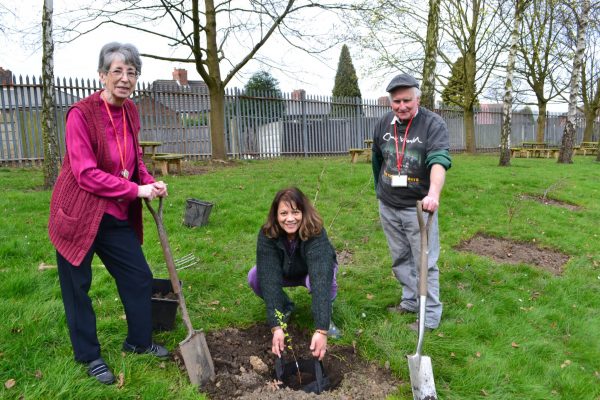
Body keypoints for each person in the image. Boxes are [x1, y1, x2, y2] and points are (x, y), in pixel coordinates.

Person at [48, 42, 169, 385]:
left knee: (138, 276)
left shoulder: (130, 111)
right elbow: (85, 173)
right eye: (117, 70)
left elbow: (135, 160)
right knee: (77, 287)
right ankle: (89, 356)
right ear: (102, 75)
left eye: (132, 72)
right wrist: (135, 190)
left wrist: (148, 181)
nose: (125, 78)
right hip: (77, 214)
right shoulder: (81, 114)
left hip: (113, 214)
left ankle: (139, 342)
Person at [371, 73, 452, 332]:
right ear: (390, 102)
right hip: (389, 203)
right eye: (396, 101)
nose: (402, 106)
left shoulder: (432, 124)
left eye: (407, 100)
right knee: (400, 257)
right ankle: (409, 300)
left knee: (424, 261)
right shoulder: (384, 123)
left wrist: (434, 195)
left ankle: (429, 317)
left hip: (419, 207)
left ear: (417, 98)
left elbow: (439, 161)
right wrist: (379, 190)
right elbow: (376, 159)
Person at [247, 187, 340, 361]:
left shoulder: (315, 232)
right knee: (255, 276)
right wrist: (276, 326)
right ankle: (286, 306)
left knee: (326, 279)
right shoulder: (268, 234)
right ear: (275, 215)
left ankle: (327, 315)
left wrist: (321, 329)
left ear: (304, 213)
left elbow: (320, 277)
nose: (290, 218)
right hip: (284, 272)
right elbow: (269, 278)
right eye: (283, 213)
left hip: (311, 272)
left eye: (295, 212)